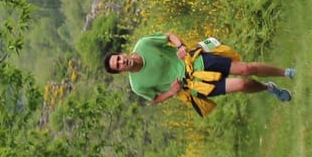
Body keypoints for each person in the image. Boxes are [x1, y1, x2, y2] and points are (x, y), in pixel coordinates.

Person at [106, 31, 294, 107]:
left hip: (197, 61)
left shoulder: (144, 45)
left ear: (122, 53)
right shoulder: (138, 86)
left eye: (119, 59)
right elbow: (154, 99)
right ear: (121, 72)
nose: (122, 62)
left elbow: (169, 35)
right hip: (195, 85)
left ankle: (287, 72)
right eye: (118, 66)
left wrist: (180, 46)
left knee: (246, 69)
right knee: (242, 84)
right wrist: (172, 92)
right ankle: (269, 88)